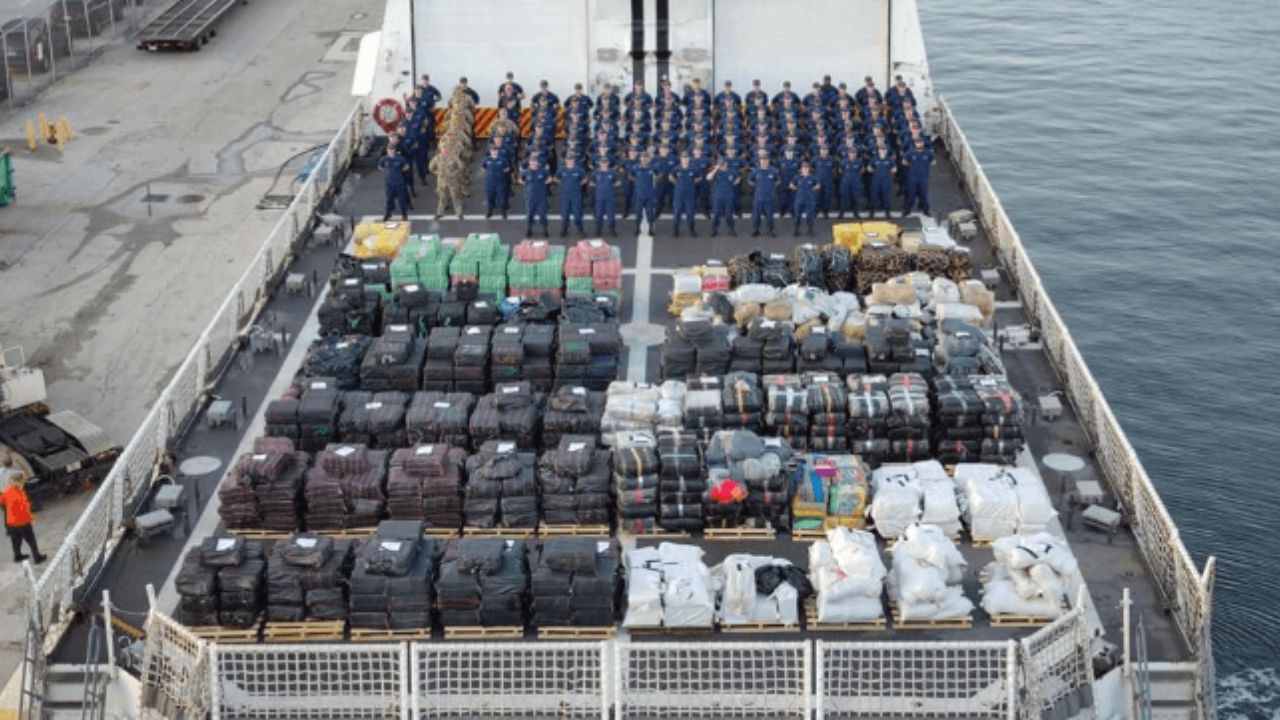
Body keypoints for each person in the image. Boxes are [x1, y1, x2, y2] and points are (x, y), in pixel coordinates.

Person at [1, 459, 45, 564]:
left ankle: (17, 555)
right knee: (31, 539)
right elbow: (25, 508)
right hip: (22, 521)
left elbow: (2, 501)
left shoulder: (8, 491)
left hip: (11, 522)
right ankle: (37, 557)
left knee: (15, 538)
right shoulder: (19, 493)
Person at [553, 156, 588, 237]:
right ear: (565, 160)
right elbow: (555, 178)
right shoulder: (562, 169)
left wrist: (579, 184)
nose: (570, 161)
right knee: (565, 214)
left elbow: (585, 179)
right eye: (568, 160)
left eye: (571, 160)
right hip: (565, 195)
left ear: (574, 160)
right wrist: (561, 183)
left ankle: (580, 229)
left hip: (576, 195)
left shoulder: (579, 169)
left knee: (577, 214)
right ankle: (564, 229)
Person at [902, 137, 935, 216]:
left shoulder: (928, 153)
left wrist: (925, 166)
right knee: (911, 195)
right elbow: (904, 162)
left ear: (923, 143)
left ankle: (926, 210)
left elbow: (934, 162)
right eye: (917, 142)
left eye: (920, 142)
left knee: (923, 195)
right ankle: (907, 210)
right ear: (915, 143)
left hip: (923, 177)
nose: (919, 144)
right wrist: (912, 166)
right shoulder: (910, 152)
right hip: (912, 178)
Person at [748, 156, 779, 237]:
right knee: (756, 215)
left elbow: (777, 181)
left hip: (769, 198)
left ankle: (770, 230)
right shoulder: (755, 171)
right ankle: (756, 230)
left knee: (769, 215)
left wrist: (770, 187)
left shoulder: (773, 171)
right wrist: (758, 186)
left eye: (766, 160)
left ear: (768, 161)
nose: (764, 162)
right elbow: (750, 181)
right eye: (762, 160)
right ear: (760, 161)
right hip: (758, 197)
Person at [520, 157, 552, 237]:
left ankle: (545, 229)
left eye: (535, 162)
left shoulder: (543, 171)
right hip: (530, 197)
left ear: (537, 163)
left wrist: (545, 183)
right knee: (529, 215)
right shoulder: (526, 171)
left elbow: (549, 178)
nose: (534, 163)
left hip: (541, 197)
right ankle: (529, 229)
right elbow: (520, 180)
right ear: (529, 163)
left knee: (543, 214)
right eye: (532, 162)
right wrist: (525, 184)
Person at [589, 159, 622, 236]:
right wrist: (597, 186)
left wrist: (611, 186)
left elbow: (619, 182)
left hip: (609, 197)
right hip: (599, 197)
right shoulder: (595, 172)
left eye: (605, 163)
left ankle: (612, 229)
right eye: (602, 163)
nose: (604, 164)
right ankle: (598, 230)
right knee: (599, 214)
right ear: (599, 164)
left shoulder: (612, 172)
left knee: (611, 214)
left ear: (608, 163)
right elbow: (591, 182)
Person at [707, 159, 739, 237]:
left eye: (722, 165)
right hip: (718, 196)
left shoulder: (731, 171)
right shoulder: (716, 172)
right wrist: (715, 169)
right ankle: (714, 230)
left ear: (726, 164)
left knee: (729, 213)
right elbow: (708, 178)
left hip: (728, 196)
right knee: (716, 214)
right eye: (720, 165)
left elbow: (738, 177)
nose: (721, 167)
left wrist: (735, 183)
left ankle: (731, 229)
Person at [378, 145, 411, 221]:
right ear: (387, 150)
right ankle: (388, 214)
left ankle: (404, 215)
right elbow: (380, 166)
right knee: (389, 200)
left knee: (402, 200)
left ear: (395, 150)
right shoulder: (384, 159)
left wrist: (401, 171)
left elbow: (407, 166)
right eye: (390, 150)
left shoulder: (400, 158)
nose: (391, 151)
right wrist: (385, 172)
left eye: (392, 150)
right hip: (389, 183)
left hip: (399, 183)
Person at [669, 155, 699, 237]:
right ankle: (676, 230)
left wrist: (692, 182)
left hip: (690, 194)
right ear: (681, 159)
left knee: (690, 213)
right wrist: (676, 182)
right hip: (679, 194)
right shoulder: (676, 168)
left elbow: (699, 177)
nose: (685, 160)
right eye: (683, 158)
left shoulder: (693, 168)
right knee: (677, 212)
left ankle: (692, 229)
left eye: (686, 158)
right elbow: (670, 176)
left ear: (689, 159)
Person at [630, 153, 658, 235]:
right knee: (638, 213)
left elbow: (658, 174)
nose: (645, 159)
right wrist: (636, 181)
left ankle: (651, 229)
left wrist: (656, 179)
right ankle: (637, 229)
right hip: (639, 194)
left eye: (646, 158)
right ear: (640, 158)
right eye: (643, 157)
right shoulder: (635, 167)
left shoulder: (653, 167)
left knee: (650, 213)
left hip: (649, 194)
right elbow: (630, 175)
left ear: (649, 159)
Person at [790, 162, 821, 236]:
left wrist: (813, 189)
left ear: (809, 169)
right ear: (801, 169)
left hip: (810, 199)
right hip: (799, 199)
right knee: (797, 214)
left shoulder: (813, 177)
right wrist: (796, 188)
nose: (805, 169)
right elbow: (791, 185)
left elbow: (818, 185)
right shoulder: (797, 177)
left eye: (806, 168)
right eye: (804, 168)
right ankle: (796, 230)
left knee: (810, 215)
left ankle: (810, 230)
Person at [868, 145, 897, 218]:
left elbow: (895, 169)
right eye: (881, 150)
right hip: (876, 181)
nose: (883, 151)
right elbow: (869, 168)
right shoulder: (874, 159)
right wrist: (876, 172)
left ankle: (887, 213)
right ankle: (872, 213)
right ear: (878, 151)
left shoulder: (890, 159)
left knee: (886, 197)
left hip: (886, 181)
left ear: (886, 151)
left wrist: (889, 172)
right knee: (874, 197)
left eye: (884, 150)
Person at [482, 147, 510, 219]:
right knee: (490, 197)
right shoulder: (486, 159)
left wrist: (502, 172)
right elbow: (483, 167)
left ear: (498, 151)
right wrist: (487, 172)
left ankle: (503, 211)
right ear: (490, 151)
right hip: (490, 182)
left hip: (500, 182)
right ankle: (490, 211)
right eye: (492, 151)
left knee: (502, 197)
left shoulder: (502, 159)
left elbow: (507, 168)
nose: (494, 152)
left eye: (495, 151)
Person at [838, 151, 866, 219]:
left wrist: (856, 176)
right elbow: (840, 170)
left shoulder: (859, 162)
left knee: (855, 198)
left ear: (856, 154)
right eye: (851, 153)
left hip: (855, 183)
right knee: (844, 198)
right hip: (846, 183)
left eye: (854, 153)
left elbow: (862, 170)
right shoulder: (844, 161)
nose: (852, 154)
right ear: (848, 154)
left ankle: (855, 213)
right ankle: (841, 213)